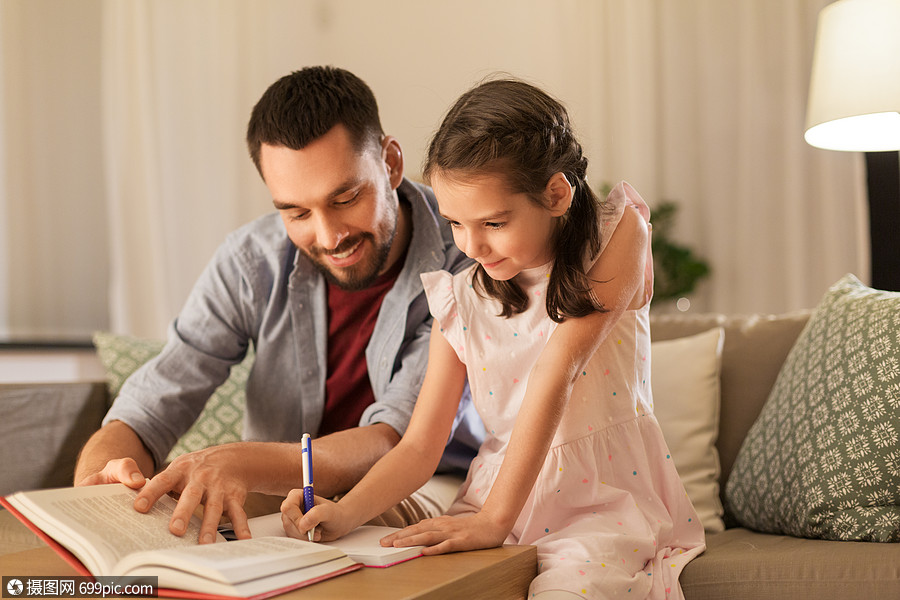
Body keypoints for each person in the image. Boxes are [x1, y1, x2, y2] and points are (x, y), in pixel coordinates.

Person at [281, 78, 706, 599]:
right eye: (456, 223)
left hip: (600, 500)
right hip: (491, 496)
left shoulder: (618, 236)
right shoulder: (460, 299)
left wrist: (493, 522)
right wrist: (343, 512)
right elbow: (419, 446)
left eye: (494, 222)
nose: (472, 244)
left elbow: (559, 369)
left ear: (555, 194)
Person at [74, 66, 482, 545]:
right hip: (280, 481)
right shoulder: (251, 261)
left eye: (346, 197)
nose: (330, 236)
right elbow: (155, 399)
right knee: (170, 517)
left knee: (363, 519)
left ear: (391, 163)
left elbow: (394, 440)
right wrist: (100, 483)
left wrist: (240, 462)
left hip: (425, 477)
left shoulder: (467, 254)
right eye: (296, 212)